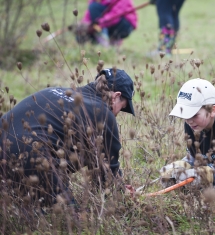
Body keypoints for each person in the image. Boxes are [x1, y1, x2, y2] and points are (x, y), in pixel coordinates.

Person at [0, 68, 135, 205]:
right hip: (30, 155)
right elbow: (108, 169)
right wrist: (121, 192)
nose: (117, 114)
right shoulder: (103, 114)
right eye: (122, 107)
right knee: (74, 220)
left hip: (4, 151)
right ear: (116, 96)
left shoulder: (54, 91)